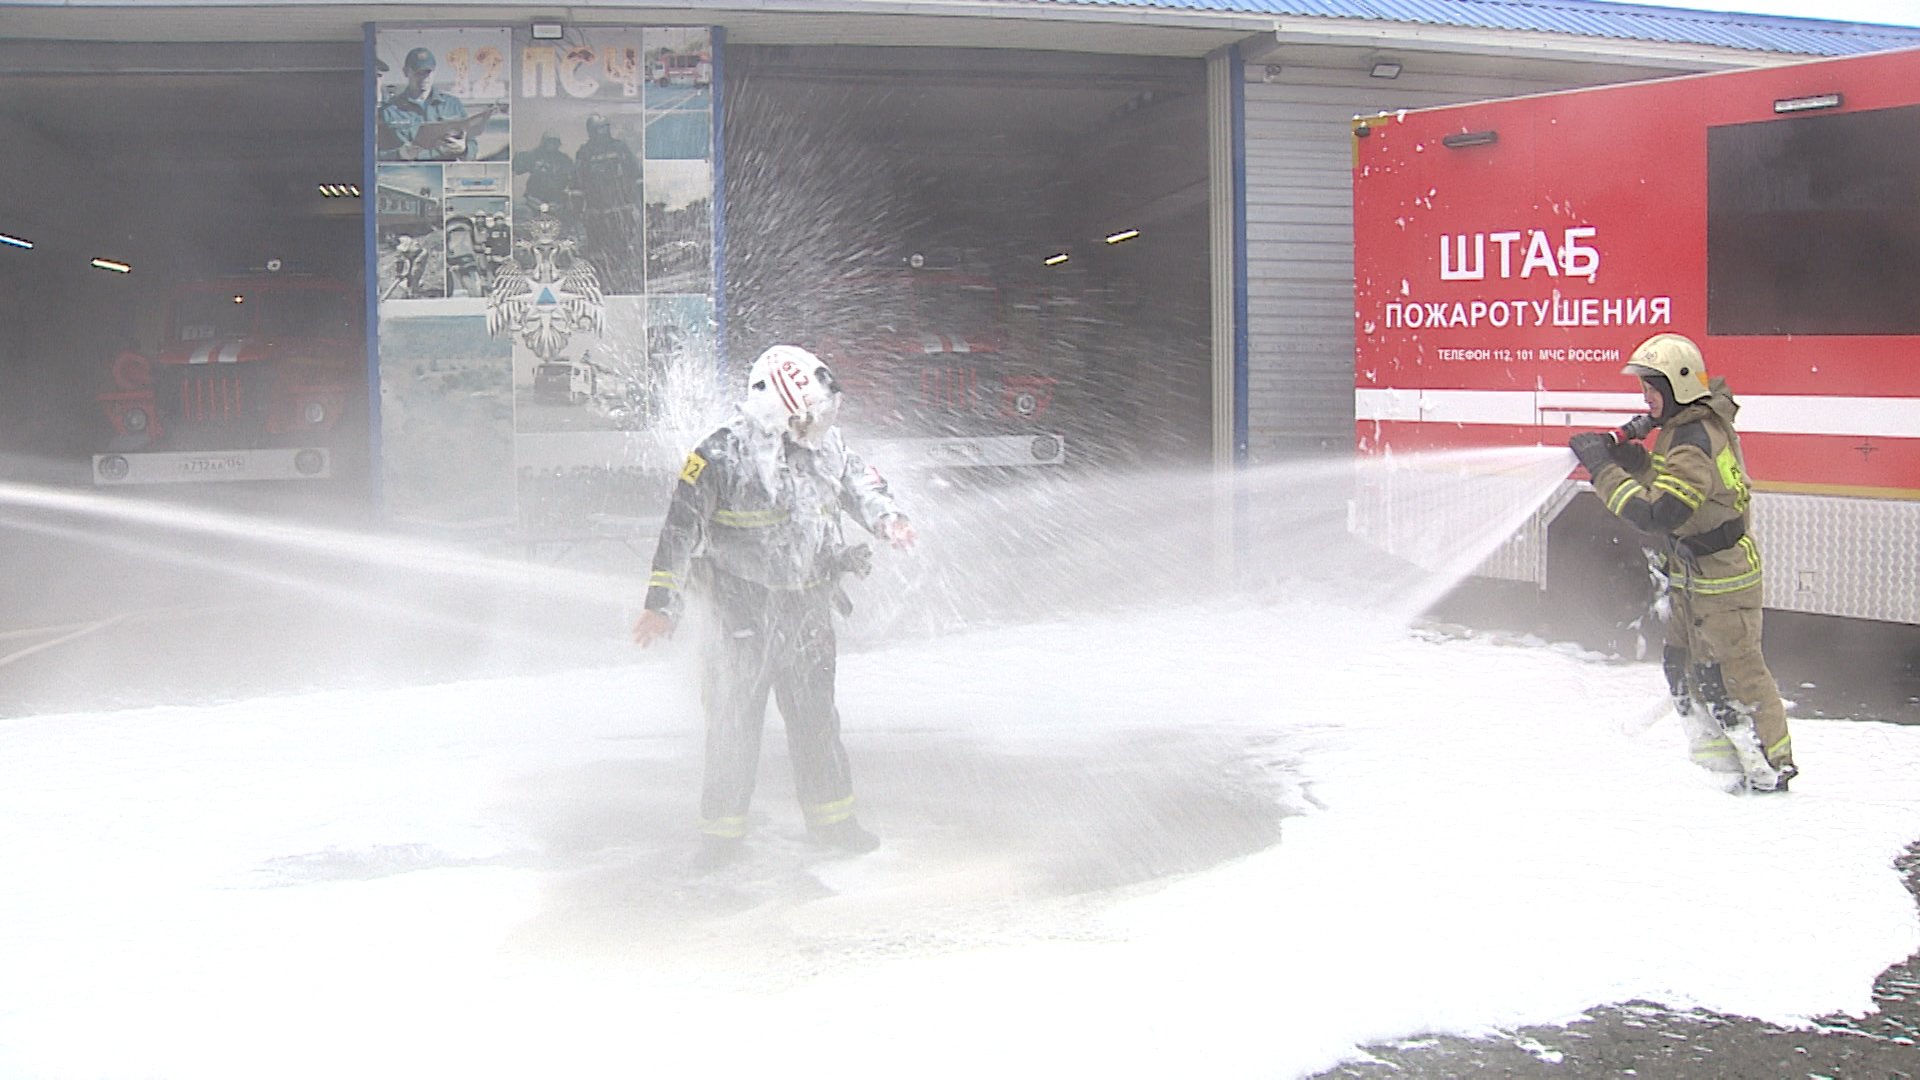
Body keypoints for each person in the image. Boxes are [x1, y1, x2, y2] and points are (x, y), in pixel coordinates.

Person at [633, 345, 916, 867]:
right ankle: (721, 838)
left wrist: (887, 518)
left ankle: (834, 824)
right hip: (737, 614)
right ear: (777, 412)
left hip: (807, 608)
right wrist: (662, 605)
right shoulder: (717, 456)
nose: (819, 426)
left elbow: (862, 483)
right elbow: (679, 533)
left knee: (816, 721)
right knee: (733, 726)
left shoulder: (827, 447)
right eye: (808, 417)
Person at [1569, 333, 1796, 793]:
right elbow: (1678, 488)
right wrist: (1633, 460)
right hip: (1697, 579)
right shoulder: (1682, 430)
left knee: (1735, 677)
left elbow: (1661, 514)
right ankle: (1720, 766)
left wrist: (1605, 469)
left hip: (1722, 579)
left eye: (1652, 388)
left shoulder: (1694, 437)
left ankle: (1771, 771)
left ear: (1678, 387)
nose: (1645, 399)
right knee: (1684, 668)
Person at [377, 48, 472, 162]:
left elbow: (473, 144)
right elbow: (375, 155)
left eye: (428, 72)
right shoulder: (389, 110)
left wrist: (464, 149)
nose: (424, 77)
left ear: (435, 72)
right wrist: (400, 154)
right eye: (418, 72)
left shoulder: (452, 105)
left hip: (445, 172)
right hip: (407, 175)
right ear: (406, 72)